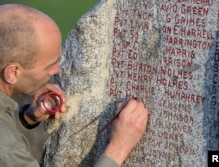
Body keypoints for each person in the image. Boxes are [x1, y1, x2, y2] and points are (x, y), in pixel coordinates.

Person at [0, 3, 148, 167]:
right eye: (49, 65)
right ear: (13, 73)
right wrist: (118, 149)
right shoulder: (7, 149)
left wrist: (26, 117)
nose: (57, 70)